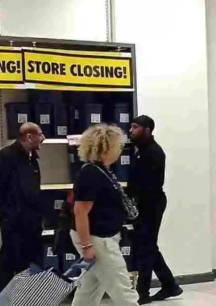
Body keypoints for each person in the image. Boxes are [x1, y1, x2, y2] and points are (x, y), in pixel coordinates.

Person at [71, 124, 139, 306]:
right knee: (123, 288)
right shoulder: (91, 174)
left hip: (103, 237)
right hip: (97, 238)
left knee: (90, 289)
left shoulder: (102, 171)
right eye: (118, 145)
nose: (120, 150)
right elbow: (80, 212)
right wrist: (86, 246)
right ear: (105, 147)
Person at [0, 122, 45, 304]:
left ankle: (23, 301)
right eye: (40, 134)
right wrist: (9, 214)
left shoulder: (32, 158)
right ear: (28, 137)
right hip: (14, 224)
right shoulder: (7, 156)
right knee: (8, 262)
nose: (43, 138)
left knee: (27, 265)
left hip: (32, 223)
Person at [126, 116, 182, 304]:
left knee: (145, 247)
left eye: (135, 127)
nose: (131, 130)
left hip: (151, 204)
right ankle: (170, 285)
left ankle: (142, 292)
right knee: (148, 246)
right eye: (131, 127)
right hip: (143, 203)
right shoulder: (140, 151)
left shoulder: (153, 152)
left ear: (148, 129)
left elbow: (149, 184)